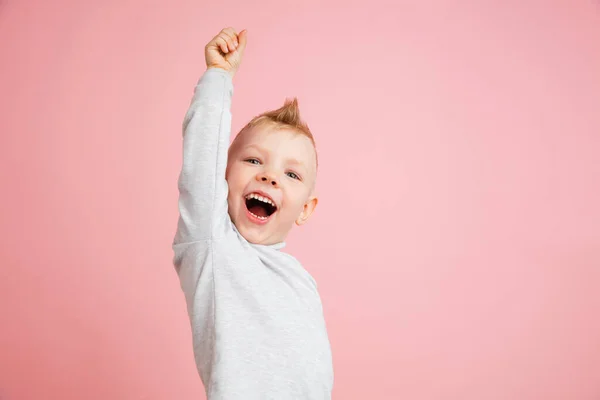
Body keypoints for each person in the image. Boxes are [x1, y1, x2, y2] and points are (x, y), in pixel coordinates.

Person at [172, 27, 334, 399]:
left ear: (305, 209)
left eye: (291, 174)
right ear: (222, 179)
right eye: (253, 160)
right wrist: (219, 77)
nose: (269, 175)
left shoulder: (300, 280)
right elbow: (201, 164)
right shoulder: (213, 246)